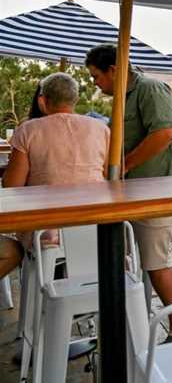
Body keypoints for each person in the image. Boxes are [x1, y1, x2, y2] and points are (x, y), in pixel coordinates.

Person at [85, 44, 172, 342]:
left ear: (114, 70)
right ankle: (129, 323)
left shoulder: (151, 89)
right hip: (133, 190)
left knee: (156, 261)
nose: (95, 82)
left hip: (159, 188)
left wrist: (126, 164)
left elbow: (166, 132)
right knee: (123, 256)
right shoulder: (121, 99)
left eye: (96, 76)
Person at [1, 73, 110, 281]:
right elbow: (110, 176)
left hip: (46, 233)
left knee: (27, 240)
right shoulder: (101, 129)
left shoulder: (28, 130)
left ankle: (45, 297)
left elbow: (12, 186)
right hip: (96, 227)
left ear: (43, 100)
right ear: (75, 100)